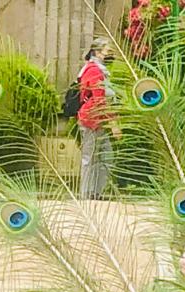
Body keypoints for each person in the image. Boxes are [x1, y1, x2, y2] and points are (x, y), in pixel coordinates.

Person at [76, 39, 114, 199]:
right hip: (91, 120)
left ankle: (96, 192)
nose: (110, 54)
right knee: (90, 157)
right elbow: (99, 99)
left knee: (105, 156)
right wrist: (113, 123)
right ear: (97, 53)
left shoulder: (101, 71)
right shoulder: (94, 71)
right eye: (107, 51)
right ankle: (86, 194)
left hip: (99, 120)